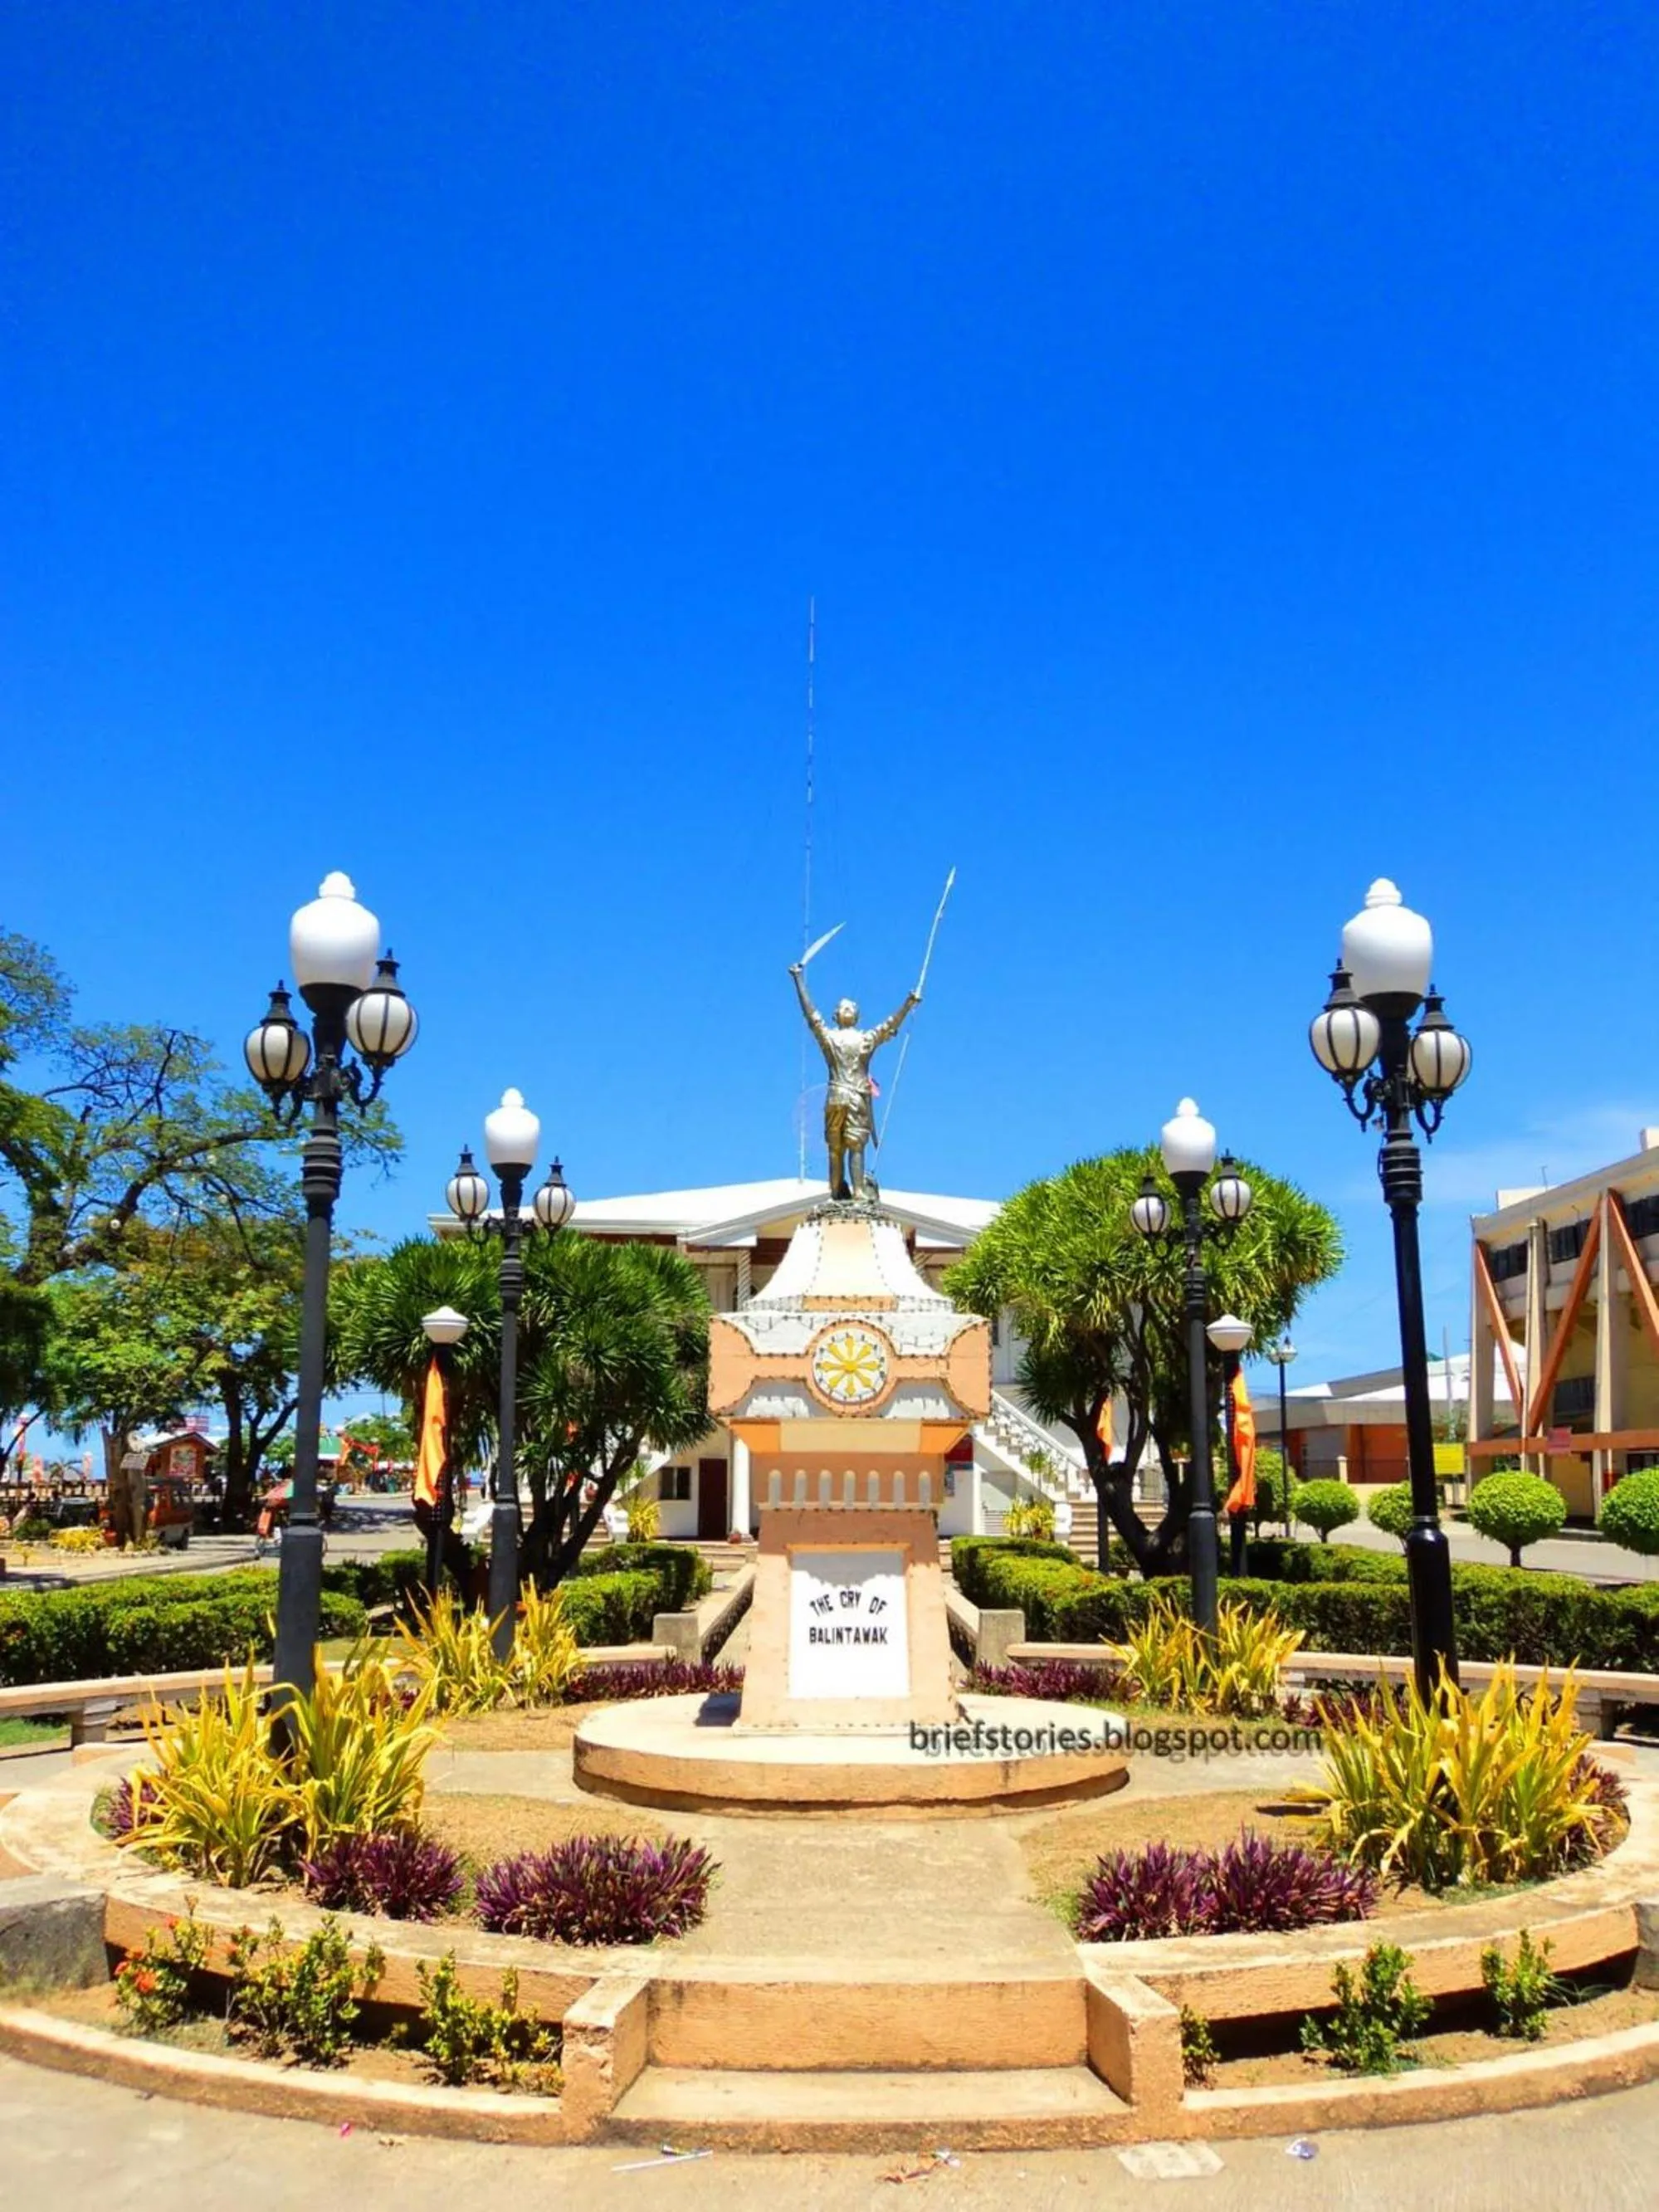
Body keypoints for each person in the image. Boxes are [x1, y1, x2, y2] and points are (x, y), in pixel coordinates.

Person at [789, 964, 921, 1201]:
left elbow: (888, 1026)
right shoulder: (833, 1037)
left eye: (851, 1007)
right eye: (843, 1007)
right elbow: (812, 1016)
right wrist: (798, 980)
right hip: (845, 1095)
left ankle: (853, 1190)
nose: (847, 1009)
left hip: (847, 1096)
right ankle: (840, 1191)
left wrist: (907, 1004)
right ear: (836, 1015)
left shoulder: (864, 1038)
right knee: (840, 1146)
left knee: (850, 1145)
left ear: (856, 1016)